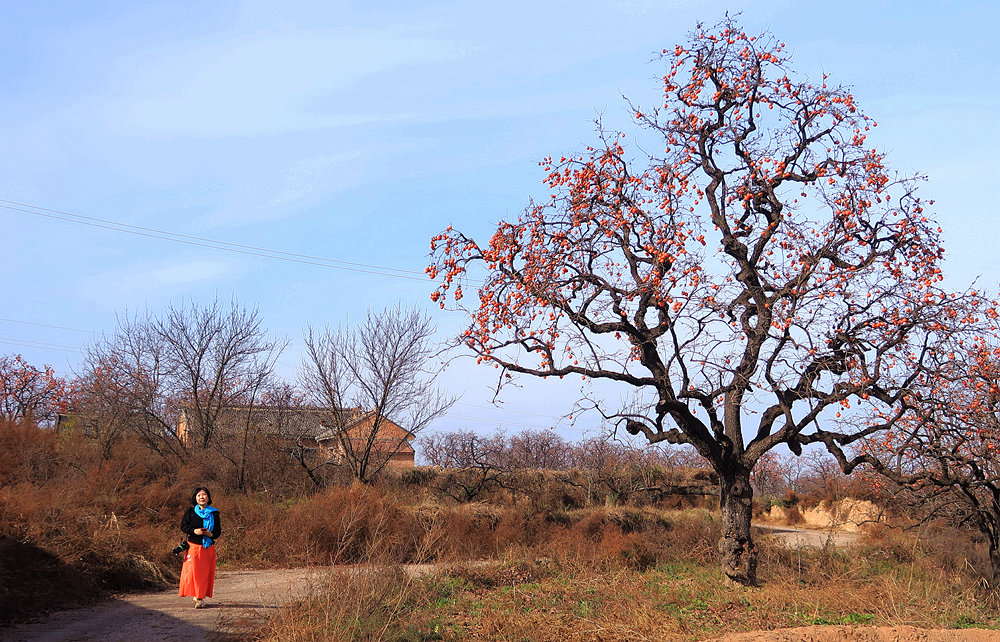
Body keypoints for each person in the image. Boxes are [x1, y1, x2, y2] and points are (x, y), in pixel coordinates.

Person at [178, 487, 221, 608]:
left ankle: (199, 597)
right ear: (195, 498)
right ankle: (196, 594)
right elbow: (184, 527)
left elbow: (217, 532)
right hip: (193, 546)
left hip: (207, 548)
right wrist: (194, 530)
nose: (201, 497)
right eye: (199, 495)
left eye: (204, 495)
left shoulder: (214, 513)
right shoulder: (190, 512)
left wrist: (209, 534)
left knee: (203, 574)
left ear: (208, 497)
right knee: (192, 573)